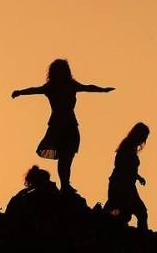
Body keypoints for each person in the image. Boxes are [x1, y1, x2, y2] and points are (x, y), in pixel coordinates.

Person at [11, 58, 114, 193]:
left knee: (69, 155)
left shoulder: (71, 85)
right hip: (57, 125)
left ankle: (66, 183)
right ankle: (64, 184)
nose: (60, 72)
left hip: (71, 123)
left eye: (62, 69)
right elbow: (34, 90)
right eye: (58, 69)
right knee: (63, 155)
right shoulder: (50, 87)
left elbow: (88, 87)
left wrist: (103, 90)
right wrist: (20, 92)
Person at [104, 122, 150, 231]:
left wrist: (138, 177)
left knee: (123, 214)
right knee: (138, 213)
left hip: (127, 187)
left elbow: (127, 168)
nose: (144, 140)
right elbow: (121, 166)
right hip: (122, 187)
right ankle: (143, 238)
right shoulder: (127, 146)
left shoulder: (130, 147)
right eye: (144, 136)